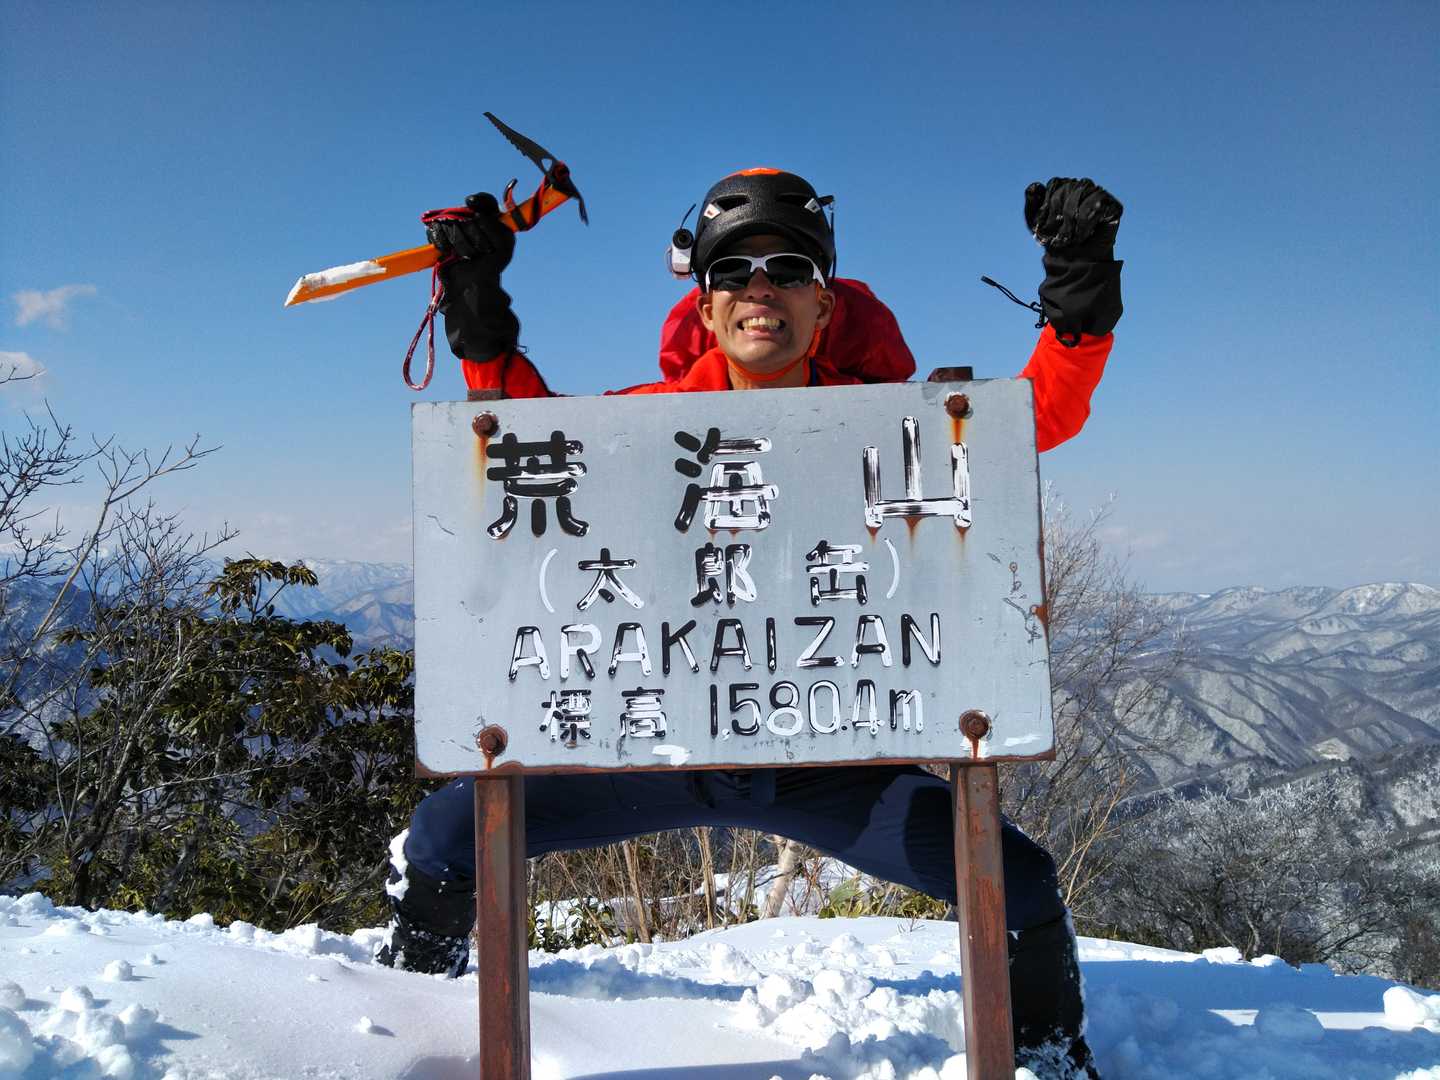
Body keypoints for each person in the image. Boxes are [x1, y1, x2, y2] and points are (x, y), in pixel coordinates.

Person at [379, 168, 1123, 1079]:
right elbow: (523, 440)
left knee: (1021, 885)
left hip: (828, 761)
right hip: (657, 742)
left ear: (824, 304)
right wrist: (476, 305)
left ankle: (1046, 1060)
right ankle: (404, 1025)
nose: (759, 289)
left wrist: (1079, 288)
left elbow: (1035, 416)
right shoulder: (648, 425)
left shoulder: (889, 425)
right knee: (447, 839)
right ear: (704, 306)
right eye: (732, 273)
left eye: (788, 270)